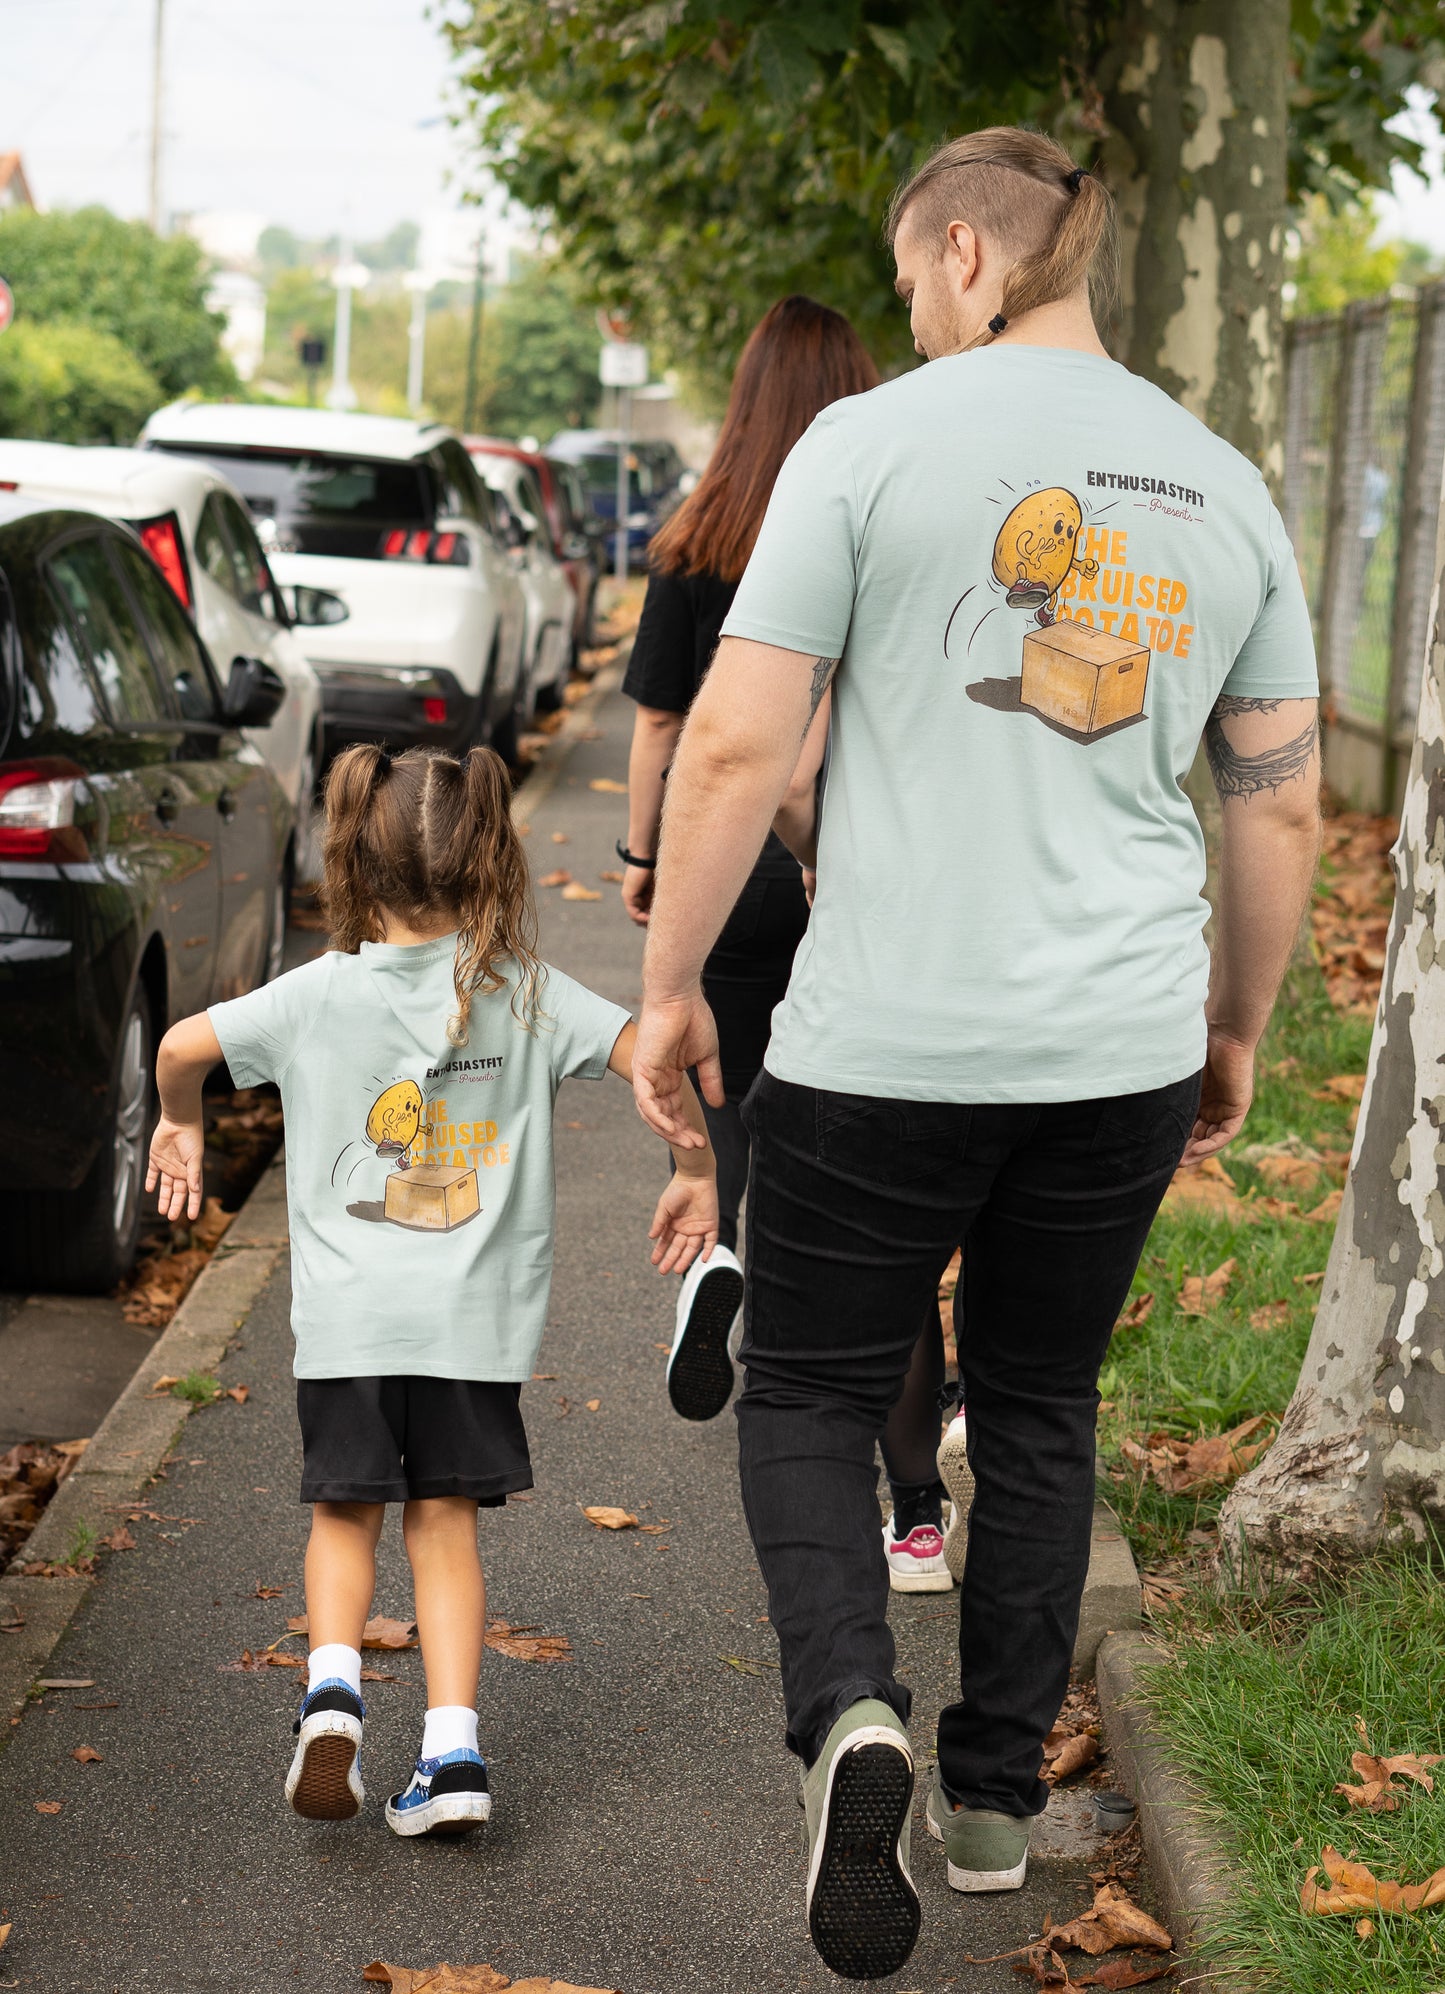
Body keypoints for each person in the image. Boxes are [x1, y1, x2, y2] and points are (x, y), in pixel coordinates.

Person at [632, 125, 1321, 1980]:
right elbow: (1279, 805)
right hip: (1113, 1045)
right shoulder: (1223, 481)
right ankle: (999, 1800)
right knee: (1033, 1403)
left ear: (961, 252)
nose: (919, 309)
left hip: (882, 1041)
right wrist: (1234, 1023)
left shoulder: (863, 448)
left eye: (917, 276)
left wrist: (669, 979)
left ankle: (850, 1710)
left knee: (807, 1387)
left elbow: (730, 745)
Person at [145, 743, 717, 1839]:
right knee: (444, 1520)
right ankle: (451, 1749)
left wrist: (181, 1115)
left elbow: (180, 1045)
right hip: (474, 1330)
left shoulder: (315, 993)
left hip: (348, 1325)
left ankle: (330, 1695)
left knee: (343, 1514)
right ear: (492, 857)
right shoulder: (524, 991)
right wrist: (693, 1169)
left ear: (355, 858)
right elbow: (655, 1054)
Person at [618, 295, 879, 1425]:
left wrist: (644, 853)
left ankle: (714, 1245)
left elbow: (662, 726)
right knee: (822, 1103)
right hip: (838, 852)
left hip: (718, 856)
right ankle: (799, 1296)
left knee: (718, 1084)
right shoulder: (873, 526)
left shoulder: (697, 534)